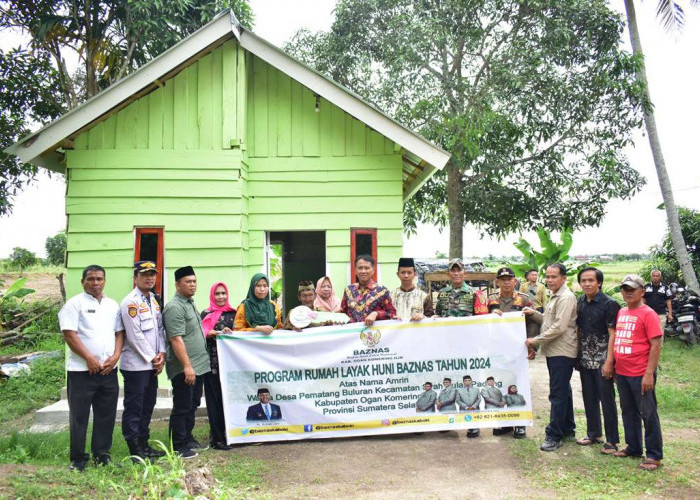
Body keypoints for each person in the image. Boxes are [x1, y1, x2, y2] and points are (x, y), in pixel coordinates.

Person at [58, 265, 125, 471]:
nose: (95, 283)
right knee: (79, 417)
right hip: (81, 372)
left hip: (107, 371)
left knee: (106, 415)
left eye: (99, 279)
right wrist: (88, 358)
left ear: (104, 281)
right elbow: (70, 334)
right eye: (91, 279)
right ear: (82, 282)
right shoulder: (74, 304)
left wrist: (115, 357)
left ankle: (102, 455)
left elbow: (119, 333)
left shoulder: (113, 305)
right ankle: (78, 460)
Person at [605, 274, 663, 471]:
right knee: (628, 411)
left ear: (642, 291)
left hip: (641, 373)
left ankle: (654, 455)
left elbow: (656, 345)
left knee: (648, 414)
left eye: (632, 289)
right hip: (622, 372)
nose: (628, 292)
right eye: (625, 289)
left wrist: (649, 373)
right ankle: (634, 447)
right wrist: (613, 366)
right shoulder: (622, 312)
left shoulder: (648, 313)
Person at [524, 263, 578, 452]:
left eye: (553, 277)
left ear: (564, 278)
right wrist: (534, 314)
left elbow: (559, 327)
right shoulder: (554, 295)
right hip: (555, 351)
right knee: (564, 390)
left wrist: (535, 340)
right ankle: (568, 428)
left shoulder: (566, 297)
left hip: (562, 351)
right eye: (547, 276)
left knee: (557, 393)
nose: (549, 280)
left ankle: (554, 435)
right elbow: (549, 321)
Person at [119, 261, 166, 462]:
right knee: (135, 407)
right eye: (144, 274)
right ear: (135, 277)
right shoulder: (130, 302)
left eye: (152, 274)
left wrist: (162, 353)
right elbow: (134, 335)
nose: (149, 278)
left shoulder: (153, 300)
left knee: (148, 405)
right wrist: (153, 357)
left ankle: (144, 445)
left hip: (152, 365)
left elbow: (160, 330)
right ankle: (135, 449)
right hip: (136, 366)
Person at [163, 266, 211, 459]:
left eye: (194, 281)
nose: (192, 285)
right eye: (187, 282)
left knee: (192, 404)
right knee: (182, 405)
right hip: (185, 367)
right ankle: (178, 445)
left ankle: (188, 437)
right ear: (177, 284)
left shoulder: (189, 303)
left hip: (198, 365)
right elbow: (176, 339)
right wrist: (187, 366)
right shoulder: (174, 307)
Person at [575, 267, 620, 455]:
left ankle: (612, 440)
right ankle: (594, 433)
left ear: (599, 283)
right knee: (589, 397)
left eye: (591, 280)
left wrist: (610, 362)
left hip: (603, 359)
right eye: (583, 281)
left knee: (607, 399)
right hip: (585, 358)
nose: (587, 284)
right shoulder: (580, 302)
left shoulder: (610, 304)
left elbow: (613, 334)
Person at [200, 282, 236, 450]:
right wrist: (210, 333)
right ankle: (217, 438)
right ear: (212, 295)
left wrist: (232, 333)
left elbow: (242, 334)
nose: (221, 297)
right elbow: (200, 334)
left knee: (229, 400)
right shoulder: (206, 314)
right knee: (214, 401)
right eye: (217, 294)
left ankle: (231, 434)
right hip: (212, 365)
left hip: (230, 366)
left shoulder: (234, 313)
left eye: (223, 293)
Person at [478, 267, 538, 359]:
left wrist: (531, 344)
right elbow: (481, 320)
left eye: (509, 279)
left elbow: (532, 323)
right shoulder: (490, 299)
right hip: (495, 345)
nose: (506, 282)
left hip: (517, 345)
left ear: (515, 282)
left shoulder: (524, 299)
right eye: (503, 280)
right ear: (497, 282)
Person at [341, 255, 397, 325]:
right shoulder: (348, 290)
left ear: (373, 270)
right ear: (355, 270)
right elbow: (343, 313)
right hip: (352, 334)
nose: (363, 271)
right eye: (360, 268)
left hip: (372, 334)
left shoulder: (382, 291)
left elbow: (392, 314)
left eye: (367, 268)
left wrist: (376, 313)